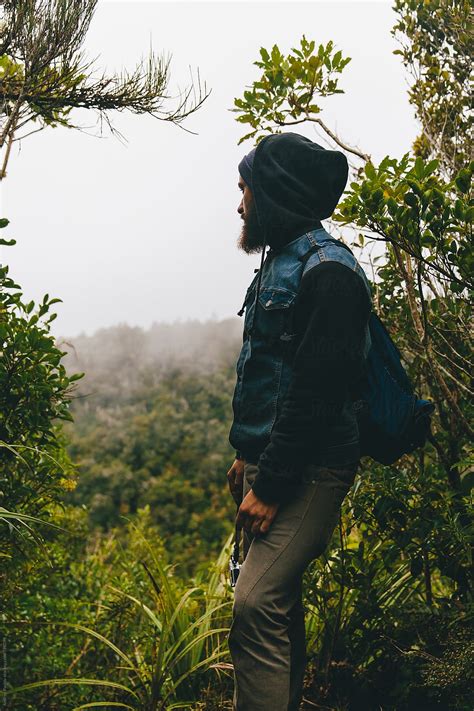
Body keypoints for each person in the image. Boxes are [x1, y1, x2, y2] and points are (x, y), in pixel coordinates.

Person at [226, 132, 372, 711]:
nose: (239, 205)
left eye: (245, 190)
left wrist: (271, 484)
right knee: (278, 606)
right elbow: (268, 372)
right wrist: (246, 454)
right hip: (275, 466)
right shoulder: (282, 263)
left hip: (311, 470)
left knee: (256, 604)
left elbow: (317, 391)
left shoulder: (330, 272)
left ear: (272, 194)